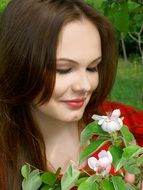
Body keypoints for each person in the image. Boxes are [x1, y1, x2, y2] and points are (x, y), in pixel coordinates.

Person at [0, 0, 118, 189]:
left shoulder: (125, 130)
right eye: (63, 69)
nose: (85, 85)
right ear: (19, 66)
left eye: (92, 67)